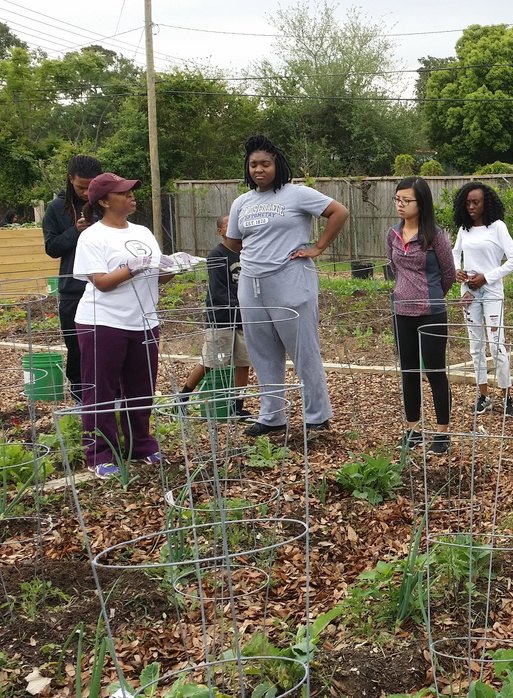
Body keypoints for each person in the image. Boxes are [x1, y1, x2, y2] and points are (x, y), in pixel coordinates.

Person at [224, 135, 349, 437]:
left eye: (265, 164)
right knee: (262, 351)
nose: (259, 170)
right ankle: (272, 415)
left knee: (303, 349)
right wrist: (257, 252)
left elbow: (339, 212)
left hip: (291, 279)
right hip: (252, 283)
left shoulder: (296, 194)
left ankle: (317, 414)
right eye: (253, 165)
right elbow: (231, 239)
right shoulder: (242, 202)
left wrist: (318, 247)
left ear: (277, 165)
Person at [73, 173, 177, 478]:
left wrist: (175, 267)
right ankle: (99, 453)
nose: (132, 195)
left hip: (144, 320)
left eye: (132, 190)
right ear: (104, 201)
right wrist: (130, 268)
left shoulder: (143, 232)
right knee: (100, 390)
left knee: (141, 388)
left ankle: (140, 445)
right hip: (103, 322)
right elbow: (102, 283)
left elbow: (158, 275)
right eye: (124, 192)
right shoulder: (93, 236)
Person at [388, 176, 456, 455]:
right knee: (409, 372)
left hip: (431, 312)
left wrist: (430, 295)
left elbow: (448, 273)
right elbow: (393, 267)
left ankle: (442, 432)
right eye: (397, 199)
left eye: (406, 200)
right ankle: (412, 429)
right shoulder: (392, 233)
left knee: (435, 372)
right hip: (401, 312)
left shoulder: (435, 237)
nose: (400, 205)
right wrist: (404, 292)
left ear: (422, 203)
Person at [452, 182, 513, 417]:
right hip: (468, 292)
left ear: (485, 203)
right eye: (468, 202)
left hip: (491, 292)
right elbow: (455, 252)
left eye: (476, 202)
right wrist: (456, 271)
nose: (471, 206)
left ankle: (507, 395)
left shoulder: (497, 227)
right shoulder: (464, 229)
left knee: (496, 344)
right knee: (475, 345)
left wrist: (487, 277)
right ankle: (483, 395)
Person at [178, 215, 252, 419]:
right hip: (222, 318)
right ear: (220, 231)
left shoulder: (247, 253)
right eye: (229, 227)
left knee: (243, 361)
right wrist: (244, 305)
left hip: (243, 319)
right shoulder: (217, 255)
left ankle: (237, 406)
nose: (234, 230)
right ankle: (183, 397)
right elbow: (219, 291)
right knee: (213, 360)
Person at [43, 155, 103, 404]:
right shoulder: (56, 208)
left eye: (92, 186)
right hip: (73, 290)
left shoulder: (105, 202)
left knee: (107, 343)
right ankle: (81, 395)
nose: (87, 192)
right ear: (70, 179)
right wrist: (75, 232)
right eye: (81, 187)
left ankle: (110, 394)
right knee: (77, 346)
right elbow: (52, 247)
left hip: (105, 286)